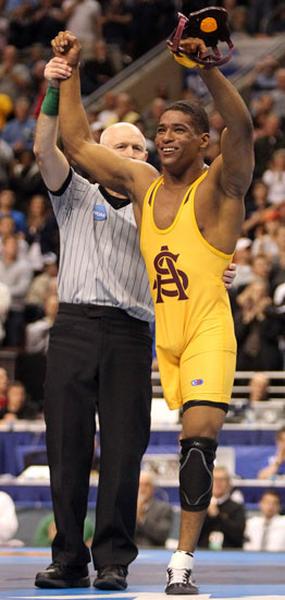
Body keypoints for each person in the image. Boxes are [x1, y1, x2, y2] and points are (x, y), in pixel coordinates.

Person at [52, 29, 254, 595]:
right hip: (160, 333)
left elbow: (241, 129)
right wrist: (70, 71)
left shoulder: (222, 187)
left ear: (203, 143)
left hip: (208, 330)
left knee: (198, 439)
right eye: (160, 129)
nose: (165, 138)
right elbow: (74, 143)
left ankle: (182, 562)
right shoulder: (142, 184)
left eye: (179, 130)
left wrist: (205, 68)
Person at [198, 466, 246, 549]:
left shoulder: (237, 508)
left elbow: (238, 534)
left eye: (222, 480)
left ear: (229, 483)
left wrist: (217, 515)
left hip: (229, 554)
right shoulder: (200, 506)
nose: (218, 483)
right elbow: (194, 533)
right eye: (215, 479)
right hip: (203, 553)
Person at [135, 470, 174, 548]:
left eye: (146, 485)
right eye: (140, 485)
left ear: (153, 488)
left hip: (154, 553)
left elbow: (161, 535)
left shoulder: (164, 509)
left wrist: (141, 518)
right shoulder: (128, 508)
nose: (142, 489)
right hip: (129, 552)